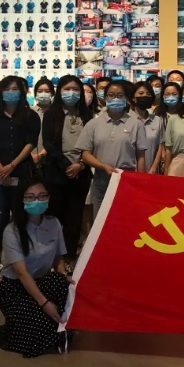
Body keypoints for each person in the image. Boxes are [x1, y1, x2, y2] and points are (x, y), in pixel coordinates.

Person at [0, 178, 73, 358]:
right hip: (15, 288)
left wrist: (63, 277)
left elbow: (58, 258)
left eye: (42, 196)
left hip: (42, 281)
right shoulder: (12, 231)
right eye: (30, 197)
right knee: (38, 321)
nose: (37, 201)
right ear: (22, 200)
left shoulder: (54, 223)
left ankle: (56, 326)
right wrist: (44, 303)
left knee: (63, 283)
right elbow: (21, 273)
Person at [0, 76, 41, 277]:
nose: (11, 92)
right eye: (7, 89)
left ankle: (24, 257)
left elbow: (30, 143)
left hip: (21, 172)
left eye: (15, 89)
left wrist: (12, 165)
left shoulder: (30, 116)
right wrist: (1, 168)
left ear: (22, 92)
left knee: (21, 216)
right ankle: (4, 259)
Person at [41, 75, 93, 269]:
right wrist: (67, 166)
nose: (72, 93)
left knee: (74, 219)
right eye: (67, 89)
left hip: (81, 174)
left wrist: (80, 164)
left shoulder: (87, 115)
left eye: (76, 89)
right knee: (54, 218)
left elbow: (92, 143)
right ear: (59, 92)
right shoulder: (51, 114)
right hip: (57, 174)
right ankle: (52, 258)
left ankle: (69, 257)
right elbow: (49, 144)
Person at [78, 81, 147, 216]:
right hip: (101, 179)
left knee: (125, 218)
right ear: (105, 98)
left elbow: (141, 157)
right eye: (111, 95)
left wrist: (141, 182)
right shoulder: (94, 123)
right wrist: (103, 166)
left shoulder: (136, 124)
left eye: (120, 95)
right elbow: (85, 154)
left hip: (126, 179)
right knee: (101, 220)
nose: (116, 98)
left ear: (126, 99)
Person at [131, 82, 164, 174]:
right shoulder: (126, 120)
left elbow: (160, 146)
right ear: (133, 98)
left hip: (151, 171)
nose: (145, 96)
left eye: (148, 94)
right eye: (141, 93)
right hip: (130, 171)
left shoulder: (157, 120)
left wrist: (153, 168)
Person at [31, 78, 55, 171]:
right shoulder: (29, 112)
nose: (43, 94)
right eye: (40, 91)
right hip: (31, 159)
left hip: (51, 159)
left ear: (52, 93)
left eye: (47, 91)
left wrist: (42, 154)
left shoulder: (57, 112)